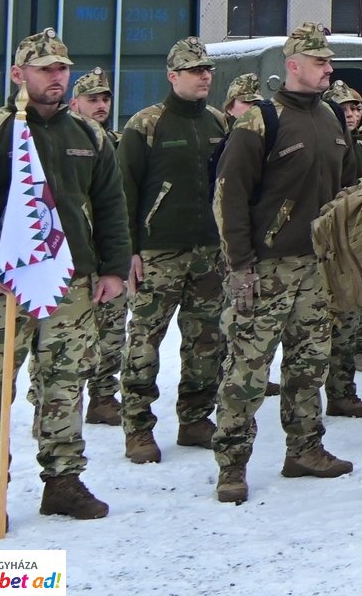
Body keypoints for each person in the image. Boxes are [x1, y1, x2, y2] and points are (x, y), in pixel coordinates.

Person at [0, 30, 130, 535]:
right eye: (46, 68)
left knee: (65, 384)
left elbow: (110, 204)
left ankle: (62, 482)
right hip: (6, 286)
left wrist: (111, 268)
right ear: (19, 74)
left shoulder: (87, 136)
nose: (58, 77)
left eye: (63, 68)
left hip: (71, 285)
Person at [211, 23, 353, 503]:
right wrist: (239, 264)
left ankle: (305, 449)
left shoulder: (333, 117)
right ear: (293, 66)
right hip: (266, 270)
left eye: (329, 62)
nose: (328, 70)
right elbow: (230, 197)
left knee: (309, 364)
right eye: (320, 63)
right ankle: (231, 464)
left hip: (318, 267)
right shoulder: (261, 121)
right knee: (248, 369)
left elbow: (347, 191)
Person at [117, 37, 228, 464]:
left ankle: (196, 418)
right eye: (194, 70)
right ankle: (138, 426)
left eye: (207, 70)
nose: (204, 77)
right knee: (144, 342)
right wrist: (129, 249)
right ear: (172, 76)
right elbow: (123, 190)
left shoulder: (219, 123)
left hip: (208, 252)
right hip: (157, 253)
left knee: (206, 341)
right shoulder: (146, 124)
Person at [64, 67, 126, 429]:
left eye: (105, 99)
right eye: (92, 99)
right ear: (75, 103)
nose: (101, 105)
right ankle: (50, 403)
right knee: (64, 337)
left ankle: (103, 395)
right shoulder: (66, 142)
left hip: (107, 256)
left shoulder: (115, 142)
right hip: (71, 258)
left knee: (112, 328)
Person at [322, 80, 362, 419]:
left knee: (353, 312)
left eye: (356, 108)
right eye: (344, 108)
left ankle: (344, 385)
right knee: (339, 319)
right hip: (330, 242)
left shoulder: (361, 148)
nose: (352, 114)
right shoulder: (328, 146)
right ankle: (339, 391)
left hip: (356, 239)